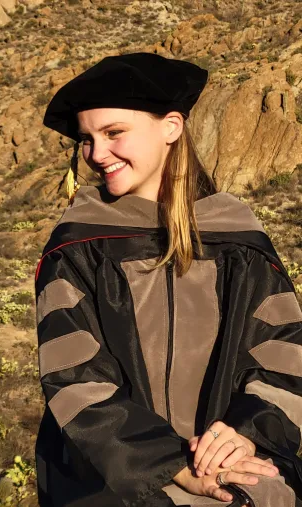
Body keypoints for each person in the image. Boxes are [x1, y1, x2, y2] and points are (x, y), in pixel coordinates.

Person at [35, 52, 302, 507]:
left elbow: (283, 353)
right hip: (113, 478)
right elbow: (77, 379)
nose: (97, 154)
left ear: (171, 127)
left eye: (114, 132)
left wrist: (244, 436)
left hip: (230, 467)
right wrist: (170, 466)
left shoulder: (236, 234)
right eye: (87, 139)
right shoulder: (79, 244)